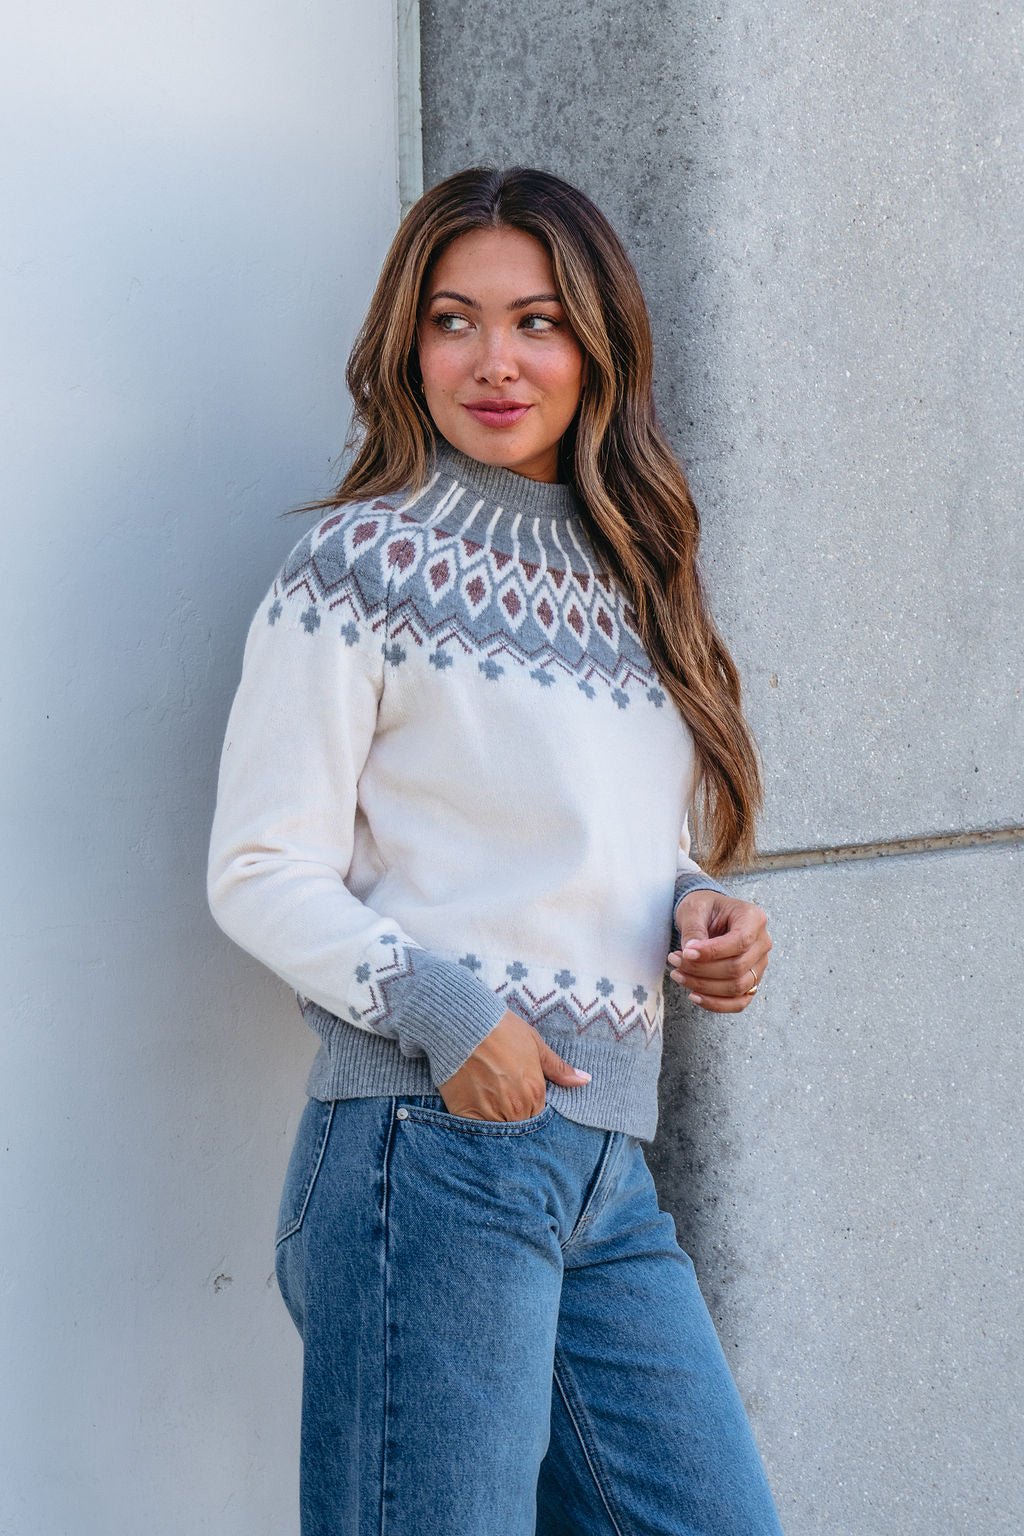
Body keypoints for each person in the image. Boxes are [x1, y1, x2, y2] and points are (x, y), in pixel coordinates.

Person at [207, 165, 783, 1536]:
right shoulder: (360, 566)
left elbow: (599, 837)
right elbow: (259, 871)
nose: (495, 360)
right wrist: (457, 1019)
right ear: (407, 344)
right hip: (431, 1148)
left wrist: (701, 907)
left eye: (537, 322)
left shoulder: (635, 578)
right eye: (454, 320)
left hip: (604, 1173)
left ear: (598, 345)